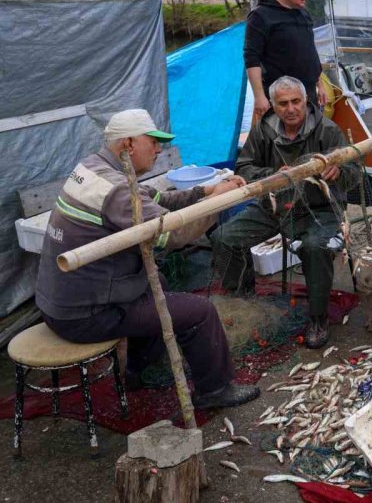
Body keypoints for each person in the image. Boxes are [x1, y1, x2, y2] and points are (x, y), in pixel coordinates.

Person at [35, 109, 259, 409]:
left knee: (160, 283)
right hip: (84, 314)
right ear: (128, 144)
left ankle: (138, 369)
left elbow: (154, 200)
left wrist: (206, 190)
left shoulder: (92, 167)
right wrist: (219, 201)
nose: (158, 149)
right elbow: (172, 234)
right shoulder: (116, 189)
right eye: (152, 142)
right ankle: (215, 390)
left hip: (58, 301)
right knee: (200, 312)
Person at [211, 76, 358, 348]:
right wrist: (272, 175)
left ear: (306, 101)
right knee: (224, 237)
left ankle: (318, 318)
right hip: (273, 207)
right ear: (274, 106)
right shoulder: (263, 130)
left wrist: (338, 172)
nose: (291, 109)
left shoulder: (327, 130)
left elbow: (355, 173)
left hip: (319, 210)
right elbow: (243, 170)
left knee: (316, 247)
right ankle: (242, 302)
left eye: (296, 102)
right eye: (283, 103)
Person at [245, 0, 326, 119]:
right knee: (284, 140)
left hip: (308, 93)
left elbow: (310, 52)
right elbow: (251, 58)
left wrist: (319, 84)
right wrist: (259, 96)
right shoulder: (260, 17)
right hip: (282, 98)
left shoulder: (303, 13)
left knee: (312, 138)